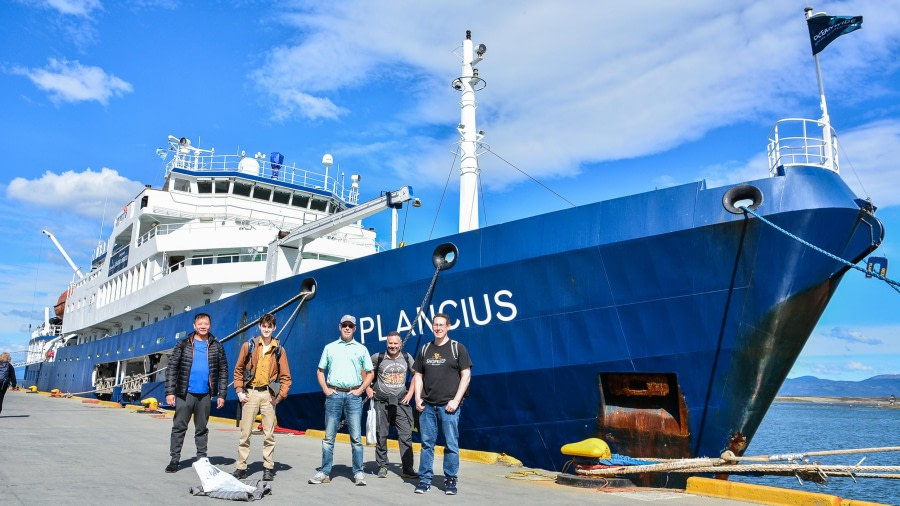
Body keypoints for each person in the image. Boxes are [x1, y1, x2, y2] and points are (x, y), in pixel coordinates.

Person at [309, 315, 374, 486]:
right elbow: (320, 370)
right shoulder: (330, 348)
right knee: (329, 437)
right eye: (344, 325)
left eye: (350, 325)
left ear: (354, 328)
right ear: (340, 326)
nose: (347, 328)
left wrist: (360, 390)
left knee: (356, 438)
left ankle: (358, 472)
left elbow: (370, 372)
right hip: (334, 394)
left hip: (353, 396)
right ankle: (324, 472)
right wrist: (325, 389)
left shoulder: (361, 349)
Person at [412, 313, 472, 495]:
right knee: (426, 444)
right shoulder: (425, 349)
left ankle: (451, 480)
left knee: (451, 444)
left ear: (448, 326)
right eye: (435, 325)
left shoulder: (457, 348)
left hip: (449, 406)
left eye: (441, 325)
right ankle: (425, 479)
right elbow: (418, 375)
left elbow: (466, 375)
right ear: (432, 327)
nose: (438, 328)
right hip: (428, 405)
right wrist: (417, 397)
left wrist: (456, 400)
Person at [165, 312, 228, 473]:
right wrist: (170, 392)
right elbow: (172, 368)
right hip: (185, 393)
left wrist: (222, 394)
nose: (202, 326)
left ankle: (201, 458)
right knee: (179, 427)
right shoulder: (183, 344)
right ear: (194, 326)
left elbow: (223, 371)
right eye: (200, 323)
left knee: (202, 428)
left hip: (205, 394)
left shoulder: (216, 346)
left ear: (210, 326)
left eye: (206, 323)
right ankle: (174, 460)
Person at [232, 313, 292, 481]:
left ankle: (268, 467)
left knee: (269, 434)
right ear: (260, 327)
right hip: (250, 393)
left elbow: (286, 377)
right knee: (245, 434)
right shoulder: (249, 346)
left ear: (274, 328)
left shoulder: (279, 350)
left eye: (269, 327)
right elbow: (238, 370)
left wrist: (279, 397)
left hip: (268, 395)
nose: (266, 330)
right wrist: (239, 391)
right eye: (264, 326)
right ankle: (241, 467)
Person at [364, 331, 417, 479]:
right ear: (387, 343)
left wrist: (410, 393)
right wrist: (367, 388)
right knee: (382, 434)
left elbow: (417, 375)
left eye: (395, 343)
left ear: (400, 344)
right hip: (381, 402)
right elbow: (364, 370)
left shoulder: (407, 358)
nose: (393, 346)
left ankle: (407, 468)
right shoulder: (378, 357)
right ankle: (382, 465)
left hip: (401, 402)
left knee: (406, 435)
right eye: (390, 343)